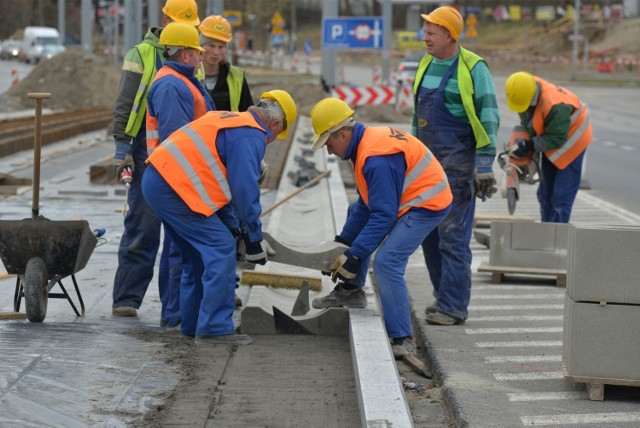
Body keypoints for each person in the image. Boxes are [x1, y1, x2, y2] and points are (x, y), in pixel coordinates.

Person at [141, 90, 297, 344]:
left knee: (194, 256)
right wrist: (254, 238)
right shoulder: (251, 135)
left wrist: (237, 229)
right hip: (175, 187)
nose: (271, 141)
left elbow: (220, 191)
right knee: (221, 248)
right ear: (275, 124)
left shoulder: (229, 120)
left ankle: (192, 324)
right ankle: (214, 328)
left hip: (158, 180)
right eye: (276, 137)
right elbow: (244, 190)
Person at [309, 97, 453, 358]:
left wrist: (353, 256)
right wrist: (341, 244)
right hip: (409, 197)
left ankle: (402, 337)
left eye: (328, 143)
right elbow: (366, 204)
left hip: (427, 203)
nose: (329, 151)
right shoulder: (362, 145)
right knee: (355, 211)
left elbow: (383, 215)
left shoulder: (376, 157)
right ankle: (351, 291)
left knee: (387, 263)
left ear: (341, 134)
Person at [110, 0, 200, 318]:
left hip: (180, 153)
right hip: (144, 149)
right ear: (164, 19)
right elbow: (126, 101)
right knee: (144, 225)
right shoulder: (142, 54)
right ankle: (127, 298)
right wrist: (122, 149)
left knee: (178, 235)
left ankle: (173, 308)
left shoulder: (191, 57)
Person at [412, 6, 500, 325]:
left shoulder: (473, 67)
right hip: (427, 166)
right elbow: (416, 117)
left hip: (458, 167)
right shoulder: (425, 64)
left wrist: (486, 164)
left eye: (432, 32)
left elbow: (488, 116)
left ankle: (453, 306)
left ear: (449, 35)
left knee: (453, 235)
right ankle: (442, 297)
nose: (426, 37)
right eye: (426, 31)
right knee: (427, 234)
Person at [145, 22, 215, 328]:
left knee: (182, 250)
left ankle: (180, 313)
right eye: (198, 52)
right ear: (185, 55)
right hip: (178, 180)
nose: (202, 58)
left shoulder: (182, 80)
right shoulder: (173, 86)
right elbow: (178, 143)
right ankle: (174, 315)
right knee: (179, 252)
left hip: (180, 178)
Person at [505, 71, 592, 223]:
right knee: (545, 194)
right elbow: (529, 122)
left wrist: (528, 145)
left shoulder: (556, 105)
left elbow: (557, 138)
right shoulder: (524, 88)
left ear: (532, 98)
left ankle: (558, 240)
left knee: (561, 195)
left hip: (573, 141)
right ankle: (547, 231)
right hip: (552, 136)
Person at [198, 15, 254, 112]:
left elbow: (247, 114)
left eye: (221, 47)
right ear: (201, 45)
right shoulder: (189, 73)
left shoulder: (236, 77)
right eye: (211, 45)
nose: (216, 52)